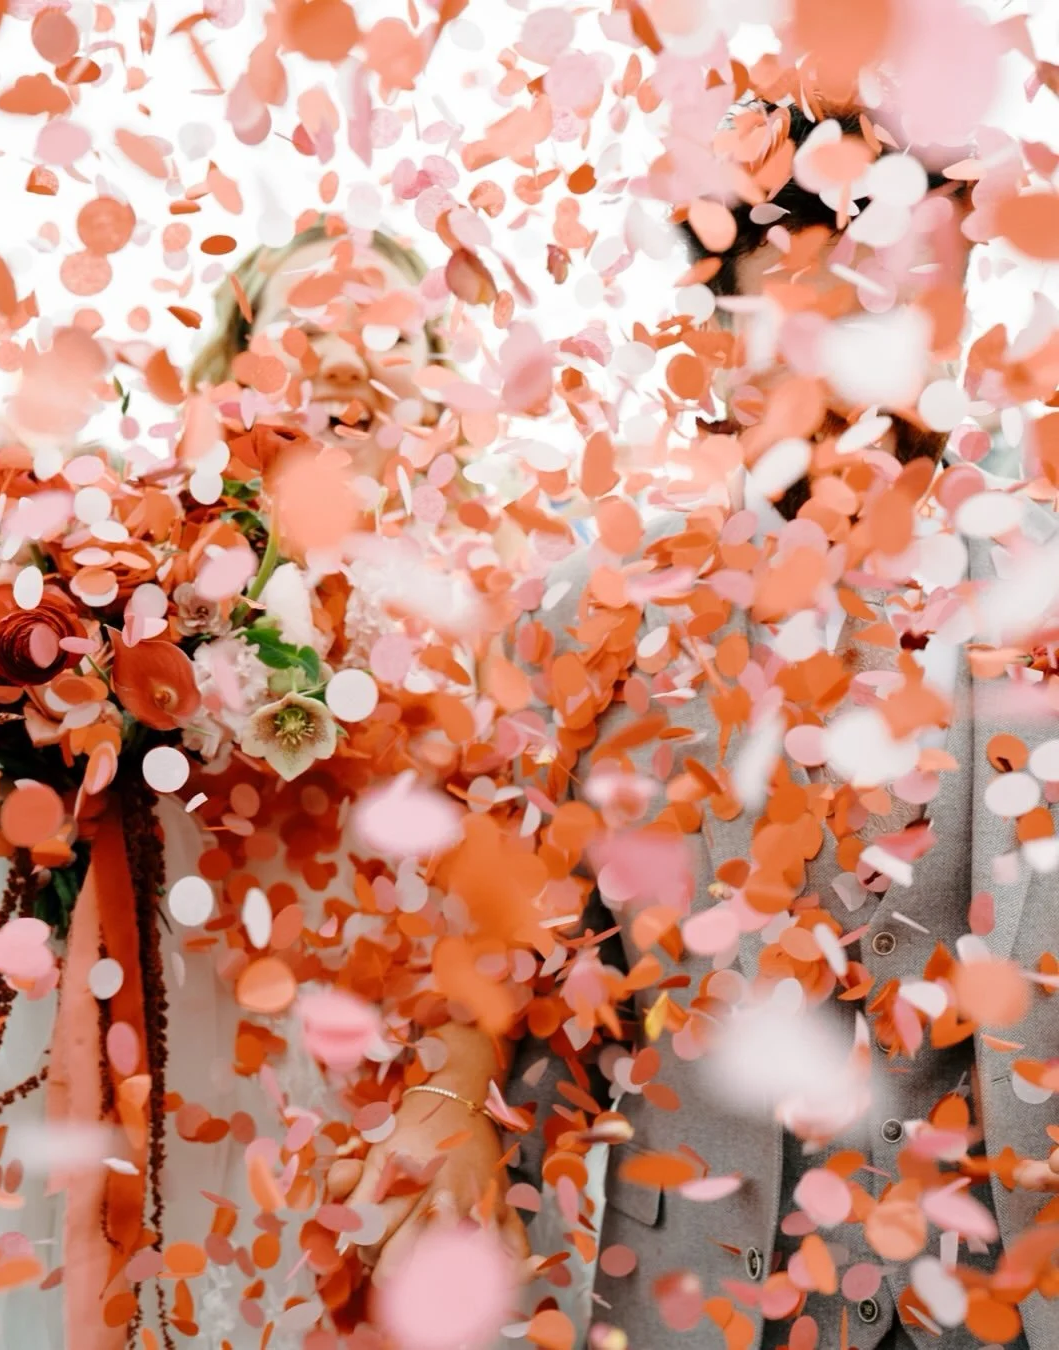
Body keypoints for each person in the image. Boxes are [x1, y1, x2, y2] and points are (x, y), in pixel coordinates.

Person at [331, 100, 1059, 1349]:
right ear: (724, 338)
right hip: (700, 1304)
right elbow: (505, 932)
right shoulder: (597, 610)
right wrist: (453, 1111)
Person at [0, 217, 526, 1349]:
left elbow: (509, 896)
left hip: (369, 1084)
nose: (347, 353)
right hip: (166, 1052)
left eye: (389, 329)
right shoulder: (143, 559)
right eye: (309, 322)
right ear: (234, 370)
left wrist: (454, 1089)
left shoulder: (496, 600)